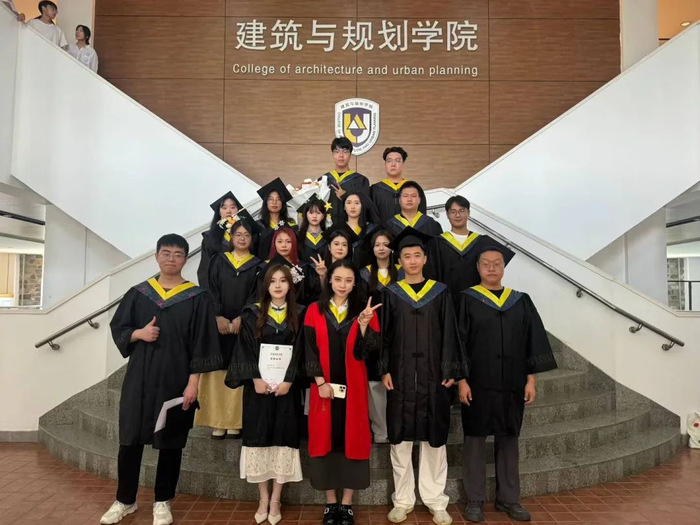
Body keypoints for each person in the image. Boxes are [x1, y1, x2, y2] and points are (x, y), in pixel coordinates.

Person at [101, 234, 222, 525]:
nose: (171, 259)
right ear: (156, 256)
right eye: (166, 253)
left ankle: (163, 501)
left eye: (178, 254)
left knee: (171, 443)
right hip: (139, 380)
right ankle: (125, 500)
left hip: (175, 380)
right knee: (129, 440)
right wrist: (138, 334)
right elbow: (119, 327)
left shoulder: (196, 297)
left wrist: (193, 383)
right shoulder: (139, 293)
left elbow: (202, 342)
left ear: (185, 259)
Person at [457, 246, 557, 523]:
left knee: (509, 438)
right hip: (477, 382)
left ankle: (509, 498)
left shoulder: (521, 301)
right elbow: (458, 342)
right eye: (486, 263)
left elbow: (532, 340)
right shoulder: (466, 300)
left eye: (497, 263)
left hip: (512, 382)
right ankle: (475, 499)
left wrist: (531, 380)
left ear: (503, 267)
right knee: (475, 439)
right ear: (478, 268)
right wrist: (461, 380)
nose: (491, 268)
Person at [380, 228, 465, 525]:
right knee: (400, 441)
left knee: (434, 441)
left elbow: (450, 333)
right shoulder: (391, 293)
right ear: (399, 262)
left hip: (433, 377)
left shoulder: (441, 292)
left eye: (417, 255)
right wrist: (384, 368)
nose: (413, 261)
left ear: (425, 259)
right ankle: (402, 500)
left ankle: (435, 500)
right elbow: (384, 335)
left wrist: (450, 370)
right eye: (407, 256)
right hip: (401, 376)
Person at [226, 264, 305, 525]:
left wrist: (289, 380)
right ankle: (263, 497)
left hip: (286, 390)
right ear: (266, 285)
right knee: (258, 437)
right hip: (258, 389)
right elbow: (245, 348)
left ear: (290, 285)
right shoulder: (252, 313)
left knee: (283, 437)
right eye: (273, 281)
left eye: (283, 280)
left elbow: (301, 350)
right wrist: (256, 378)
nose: (278, 285)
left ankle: (276, 500)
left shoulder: (300, 313)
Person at [305, 259, 380, 525]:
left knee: (352, 439)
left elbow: (368, 352)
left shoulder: (364, 312)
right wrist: (319, 382)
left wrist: (363, 325)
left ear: (355, 283)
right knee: (324, 438)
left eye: (349, 280)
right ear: (330, 280)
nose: (343, 285)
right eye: (338, 279)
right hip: (323, 390)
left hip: (354, 390)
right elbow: (308, 349)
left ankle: (346, 504)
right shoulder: (315, 310)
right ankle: (330, 503)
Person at [195, 219, 263, 439]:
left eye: (246, 235)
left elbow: (257, 295)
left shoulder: (258, 266)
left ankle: (235, 421)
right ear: (231, 237)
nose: (242, 238)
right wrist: (217, 316)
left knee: (240, 367)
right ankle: (218, 420)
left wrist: (244, 318)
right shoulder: (218, 261)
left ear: (252, 239)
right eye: (238, 234)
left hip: (245, 326)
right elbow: (210, 289)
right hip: (219, 325)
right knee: (219, 370)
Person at [358, 229, 400, 445]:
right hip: (373, 334)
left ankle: (398, 427)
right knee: (374, 382)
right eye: (377, 244)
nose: (382, 248)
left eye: (386, 244)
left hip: (398, 332)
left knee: (397, 380)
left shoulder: (402, 272)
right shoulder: (364, 274)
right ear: (372, 248)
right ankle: (381, 430)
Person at [432, 196, 513, 304]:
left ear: (468, 213)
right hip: (446, 303)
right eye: (453, 212)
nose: (457, 215)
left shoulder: (482, 242)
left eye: (462, 211)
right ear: (447, 214)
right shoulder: (436, 243)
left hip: (478, 302)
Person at [197, 191, 252, 287]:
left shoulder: (250, 236)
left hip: (245, 286)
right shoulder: (210, 238)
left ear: (238, 210)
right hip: (218, 287)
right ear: (219, 212)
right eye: (224, 208)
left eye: (233, 207)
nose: (229, 211)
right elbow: (204, 270)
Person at [258, 226, 319, 306]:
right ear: (274, 243)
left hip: (298, 311)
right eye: (280, 241)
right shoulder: (265, 267)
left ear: (294, 243)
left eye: (288, 241)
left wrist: (322, 276)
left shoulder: (303, 268)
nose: (284, 245)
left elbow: (312, 295)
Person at [321, 137, 371, 225]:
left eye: (345, 151)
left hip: (352, 228)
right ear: (332, 154)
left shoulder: (361, 180)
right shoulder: (323, 180)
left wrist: (346, 196)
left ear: (350, 155)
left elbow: (366, 208)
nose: (341, 155)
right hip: (328, 228)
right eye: (337, 151)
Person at [370, 147, 426, 223]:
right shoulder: (374, 190)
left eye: (397, 161)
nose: (393, 164)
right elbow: (372, 219)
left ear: (403, 164)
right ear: (385, 164)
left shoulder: (415, 189)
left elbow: (421, 217)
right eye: (389, 161)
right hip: (382, 230)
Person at [257, 178, 297, 258]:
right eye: (270, 199)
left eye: (278, 199)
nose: (274, 202)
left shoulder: (291, 224)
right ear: (266, 202)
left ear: (282, 203)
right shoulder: (259, 226)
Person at [311, 224, 356, 289]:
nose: (340, 248)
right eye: (336, 244)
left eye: (344, 245)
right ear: (329, 247)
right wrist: (323, 276)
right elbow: (318, 293)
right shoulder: (319, 268)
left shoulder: (352, 270)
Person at [342, 190, 377, 269]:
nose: (352, 207)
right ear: (344, 207)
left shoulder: (372, 230)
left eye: (357, 203)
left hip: (367, 273)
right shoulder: (338, 229)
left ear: (363, 206)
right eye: (349, 203)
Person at [297, 194, 329, 264]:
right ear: (306, 215)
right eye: (311, 213)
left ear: (323, 216)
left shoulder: (328, 236)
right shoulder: (298, 236)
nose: (314, 216)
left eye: (318, 213)